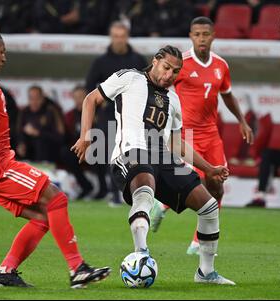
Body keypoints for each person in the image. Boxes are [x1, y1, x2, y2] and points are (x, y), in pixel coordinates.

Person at [0, 29, 110, 288]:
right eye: (1, 51)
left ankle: (5, 272)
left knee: (44, 217)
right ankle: (77, 269)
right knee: (56, 197)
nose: (4, 57)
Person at [72, 45, 235, 285]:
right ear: (155, 61)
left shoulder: (173, 100)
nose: (170, 75)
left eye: (175, 72)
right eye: (167, 67)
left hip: (163, 158)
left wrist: (209, 168)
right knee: (145, 188)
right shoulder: (128, 77)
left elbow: (177, 144)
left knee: (209, 206)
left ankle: (206, 273)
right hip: (130, 152)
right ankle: (141, 254)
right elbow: (91, 99)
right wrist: (86, 135)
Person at [149, 17, 254, 255]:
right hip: (187, 135)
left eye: (206, 34)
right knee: (195, 187)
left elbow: (227, 94)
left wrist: (242, 121)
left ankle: (197, 241)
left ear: (213, 35)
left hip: (211, 135)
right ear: (191, 36)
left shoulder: (221, 65)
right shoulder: (181, 63)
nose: (202, 39)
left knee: (217, 188)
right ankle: (163, 204)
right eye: (197, 34)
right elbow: (161, 85)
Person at [85, 21, 147, 204]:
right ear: (111, 37)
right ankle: (114, 193)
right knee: (111, 154)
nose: (119, 40)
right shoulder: (101, 62)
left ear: (127, 37)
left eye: (122, 36)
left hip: (134, 116)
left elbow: (147, 84)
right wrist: (98, 106)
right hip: (109, 115)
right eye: (116, 36)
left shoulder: (138, 60)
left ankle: (136, 191)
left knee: (135, 154)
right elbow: (89, 86)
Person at [16, 86, 64, 163]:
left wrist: (38, 133)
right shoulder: (24, 112)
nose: (34, 101)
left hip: (49, 149)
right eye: (31, 98)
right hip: (30, 149)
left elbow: (60, 137)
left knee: (40, 142)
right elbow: (19, 132)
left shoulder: (51, 110)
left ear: (42, 99)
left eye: (37, 98)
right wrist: (21, 144)